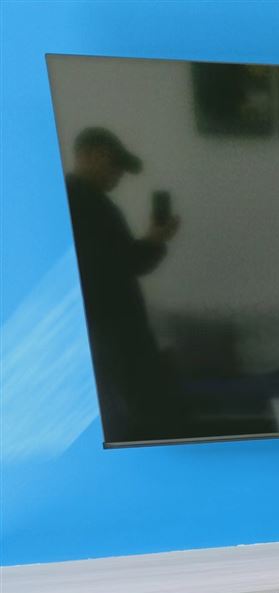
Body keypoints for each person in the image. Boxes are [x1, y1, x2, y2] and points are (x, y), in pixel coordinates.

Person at [65, 127, 180, 440]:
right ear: (92, 155)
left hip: (113, 328)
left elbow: (124, 265)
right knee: (132, 415)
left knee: (135, 410)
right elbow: (117, 265)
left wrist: (155, 240)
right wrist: (154, 240)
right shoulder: (81, 201)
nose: (118, 175)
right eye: (115, 165)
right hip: (109, 329)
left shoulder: (89, 201)